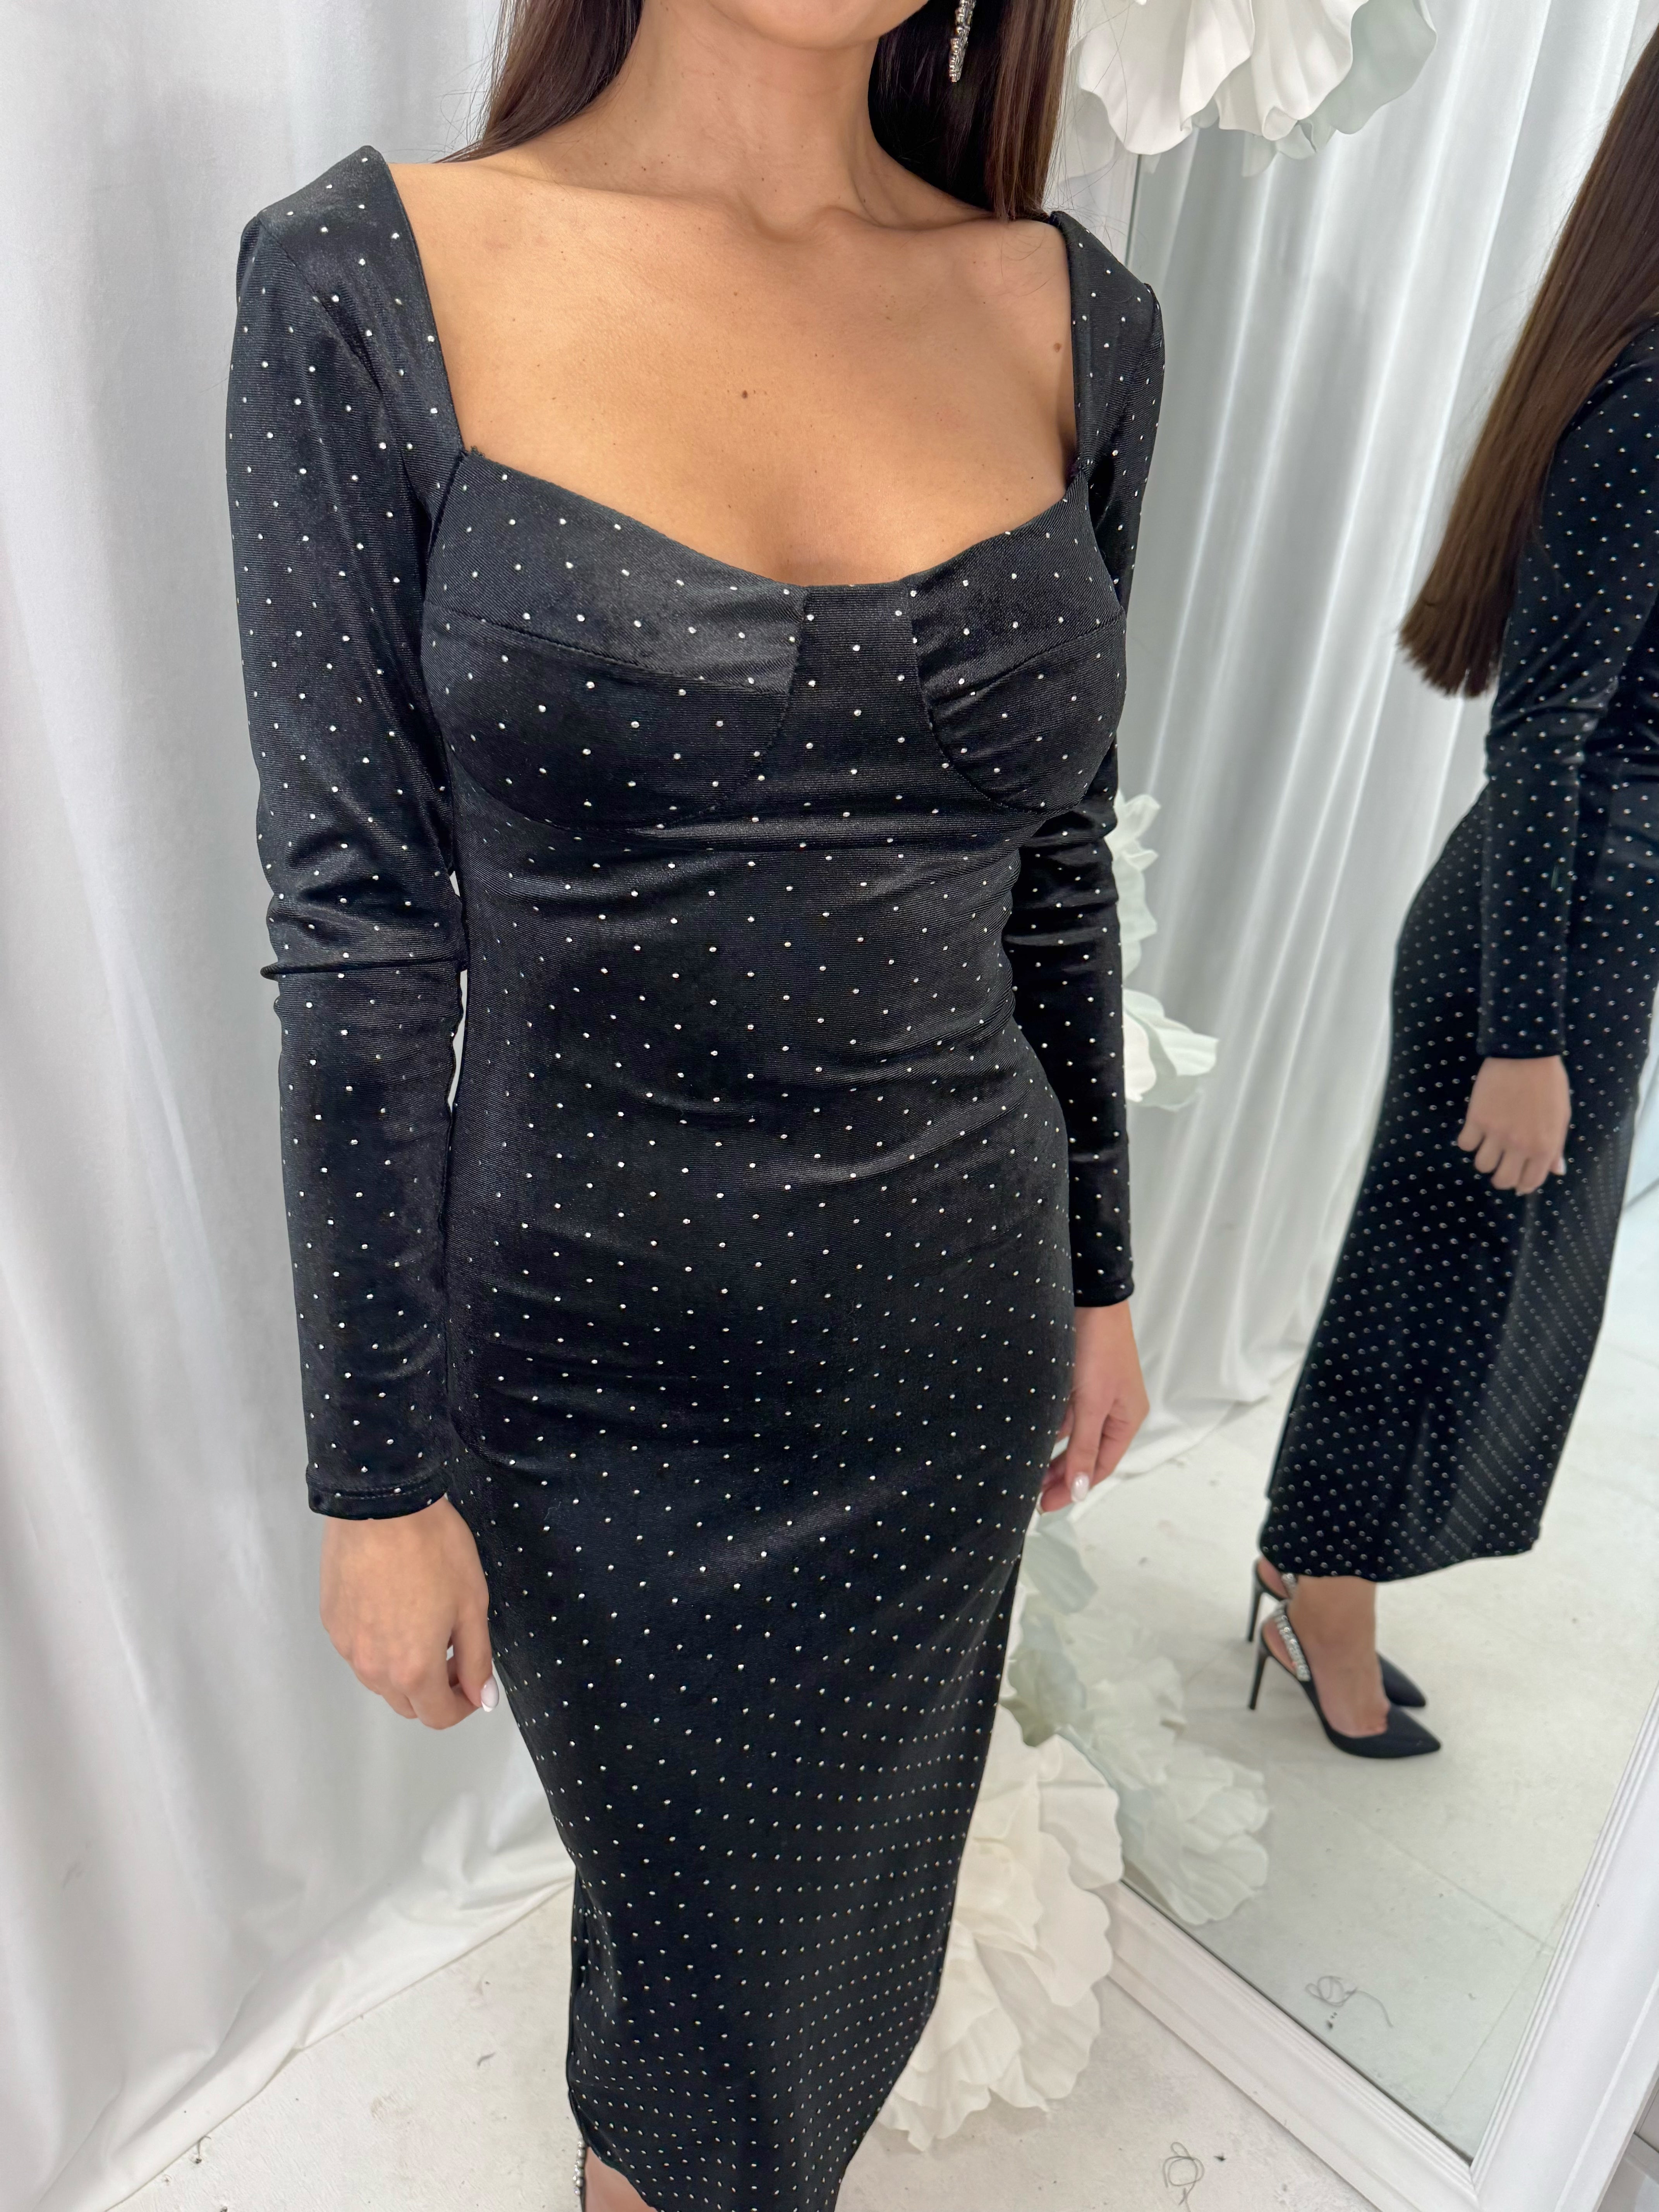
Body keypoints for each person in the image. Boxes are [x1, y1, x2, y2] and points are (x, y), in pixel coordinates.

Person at [227, 1, 1159, 2205]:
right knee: (702, 1978)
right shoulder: (362, 281)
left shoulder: (1076, 317)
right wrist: (374, 1476)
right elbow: (360, 935)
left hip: (948, 1335)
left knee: (822, 1955)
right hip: (596, 1372)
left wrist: (1100, 1278)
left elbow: (1058, 865)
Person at [1248, 27, 1659, 1761]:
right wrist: (1527, 1037)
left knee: (1484, 1295)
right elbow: (1544, 732)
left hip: (1588, 933)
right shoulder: (1649, 395)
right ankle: (1314, 1582)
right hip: (1540, 943)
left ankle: (1318, 1561)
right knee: (1431, 1289)